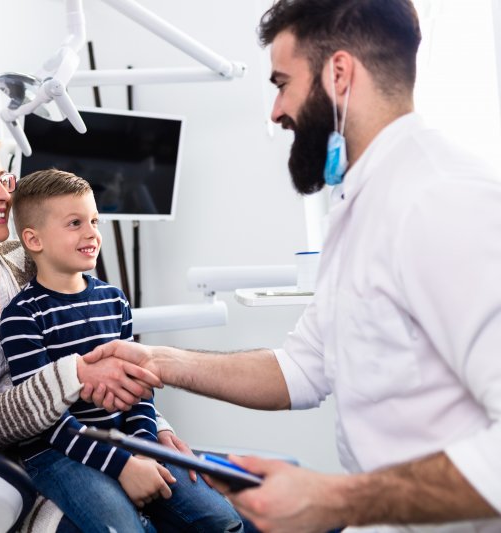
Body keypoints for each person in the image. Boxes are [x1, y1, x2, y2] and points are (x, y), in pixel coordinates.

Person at [83, 1, 501, 531]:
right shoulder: (361, 206)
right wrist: (159, 361)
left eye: (283, 83)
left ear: (340, 74)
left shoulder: (442, 200)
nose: (276, 110)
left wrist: (340, 499)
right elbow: (303, 368)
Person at [0, 121, 193, 531]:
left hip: (71, 443)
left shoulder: (29, 256)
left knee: (199, 506)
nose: (3, 194)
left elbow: (103, 339)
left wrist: (154, 432)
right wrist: (78, 375)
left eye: (1, 177)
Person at [0, 169, 243, 532]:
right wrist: (122, 466)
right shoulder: (21, 316)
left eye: (94, 220)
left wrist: (144, 449)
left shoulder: (114, 300)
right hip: (58, 453)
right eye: (75, 223)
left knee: (222, 520)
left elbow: (140, 389)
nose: (92, 233)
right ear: (34, 240)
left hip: (126, 439)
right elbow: (46, 420)